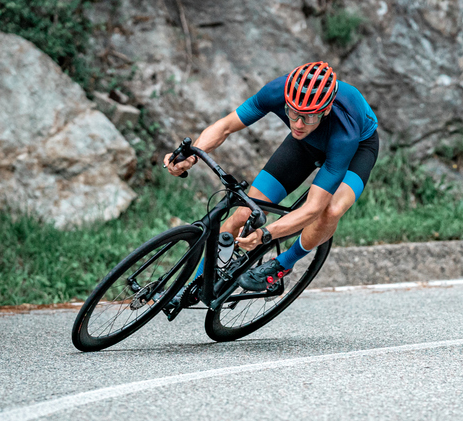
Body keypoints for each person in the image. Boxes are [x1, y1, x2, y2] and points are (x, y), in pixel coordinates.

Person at [162, 61, 379, 292]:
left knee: (331, 209)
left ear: (325, 110)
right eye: (293, 113)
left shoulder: (345, 131)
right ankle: (196, 286)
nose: (297, 123)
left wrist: (265, 234)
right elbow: (225, 126)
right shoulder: (278, 91)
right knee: (244, 213)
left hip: (358, 148)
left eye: (308, 117)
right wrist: (191, 157)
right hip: (306, 144)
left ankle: (284, 263)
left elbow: (312, 208)